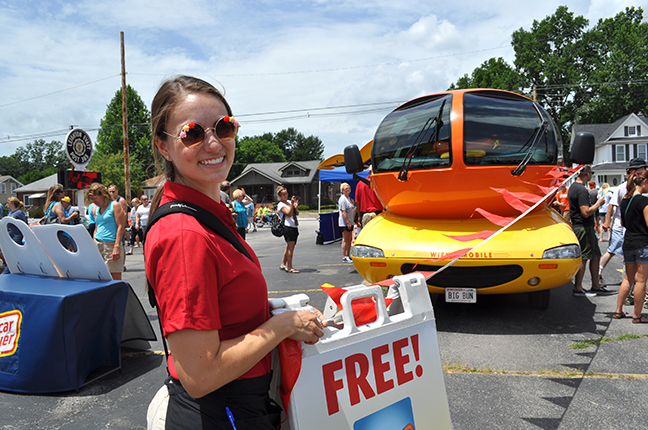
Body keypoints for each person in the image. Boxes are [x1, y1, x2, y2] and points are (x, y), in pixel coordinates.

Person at [144, 75, 324, 429]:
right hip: (219, 412)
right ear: (164, 147)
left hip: (241, 407)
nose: (213, 143)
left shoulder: (209, 215)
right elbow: (200, 376)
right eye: (193, 133)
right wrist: (283, 324)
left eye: (224, 127)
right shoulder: (185, 235)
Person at [601, 158, 648, 301]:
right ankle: (634, 300)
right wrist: (608, 222)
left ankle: (627, 303)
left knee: (632, 272)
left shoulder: (629, 191)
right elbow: (612, 206)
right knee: (637, 275)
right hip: (635, 234)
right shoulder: (624, 188)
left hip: (630, 234)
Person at [568, 165, 612, 296]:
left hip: (581, 226)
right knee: (585, 257)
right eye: (591, 173)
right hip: (583, 227)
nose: (592, 175)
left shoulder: (573, 187)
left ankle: (596, 286)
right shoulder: (581, 190)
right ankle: (578, 287)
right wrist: (598, 204)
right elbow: (585, 212)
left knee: (596, 255)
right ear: (587, 174)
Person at [614, 169, 648, 323]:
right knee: (641, 281)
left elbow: (622, 222)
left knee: (628, 278)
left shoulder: (625, 201)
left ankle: (618, 310)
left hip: (628, 242)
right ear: (645, 182)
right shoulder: (643, 201)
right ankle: (637, 315)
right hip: (642, 243)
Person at [87, 183, 126, 280]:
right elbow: (97, 227)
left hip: (111, 245)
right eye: (91, 199)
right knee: (99, 277)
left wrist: (116, 246)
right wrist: (93, 244)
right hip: (98, 243)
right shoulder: (96, 209)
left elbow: (121, 226)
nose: (93, 201)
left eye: (95, 198)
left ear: (103, 195)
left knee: (114, 279)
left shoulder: (115, 205)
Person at [277, 185, 300, 273]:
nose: (286, 196)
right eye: (283, 195)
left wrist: (295, 207)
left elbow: (296, 213)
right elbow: (289, 214)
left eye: (286, 194)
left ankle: (283, 263)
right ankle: (290, 267)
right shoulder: (281, 204)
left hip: (294, 225)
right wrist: (291, 205)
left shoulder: (289, 202)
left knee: (289, 246)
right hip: (287, 227)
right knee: (291, 247)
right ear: (280, 196)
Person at [2, 197, 28, 274]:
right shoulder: (10, 213)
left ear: (12, 204)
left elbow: (24, 224)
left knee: (13, 254)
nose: (7, 204)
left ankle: (7, 271)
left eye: (8, 203)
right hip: (9, 236)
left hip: (16, 236)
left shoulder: (19, 213)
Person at [338, 182, 355, 263]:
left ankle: (348, 255)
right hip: (344, 223)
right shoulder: (342, 199)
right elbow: (343, 212)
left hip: (350, 222)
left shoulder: (348, 198)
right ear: (342, 190)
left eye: (348, 188)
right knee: (345, 239)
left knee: (349, 239)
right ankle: (344, 256)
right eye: (345, 189)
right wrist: (347, 222)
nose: (347, 190)